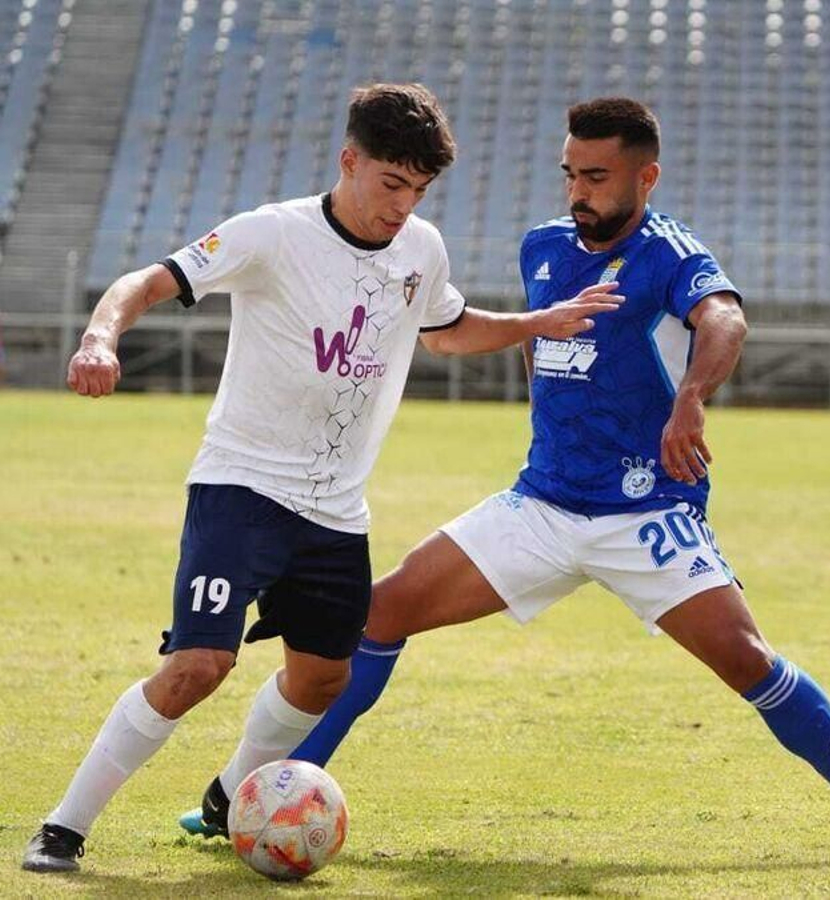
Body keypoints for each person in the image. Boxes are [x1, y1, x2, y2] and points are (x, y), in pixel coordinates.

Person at [176, 97, 830, 864]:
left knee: (748, 659)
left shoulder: (672, 254)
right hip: (541, 504)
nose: (579, 192)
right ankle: (257, 794)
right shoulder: (543, 246)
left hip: (643, 512)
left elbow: (724, 321)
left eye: (598, 177)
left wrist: (689, 401)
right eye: (571, 174)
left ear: (646, 178)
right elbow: (538, 343)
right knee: (376, 616)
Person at [21, 83, 623, 875]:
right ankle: (62, 828)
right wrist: (100, 337)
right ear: (350, 161)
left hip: (336, 510)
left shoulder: (421, 250)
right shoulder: (273, 234)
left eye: (418, 191)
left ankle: (232, 793)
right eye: (390, 184)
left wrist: (536, 323)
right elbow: (150, 280)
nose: (402, 207)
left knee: (324, 677)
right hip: (243, 487)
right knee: (200, 666)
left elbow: (445, 332)